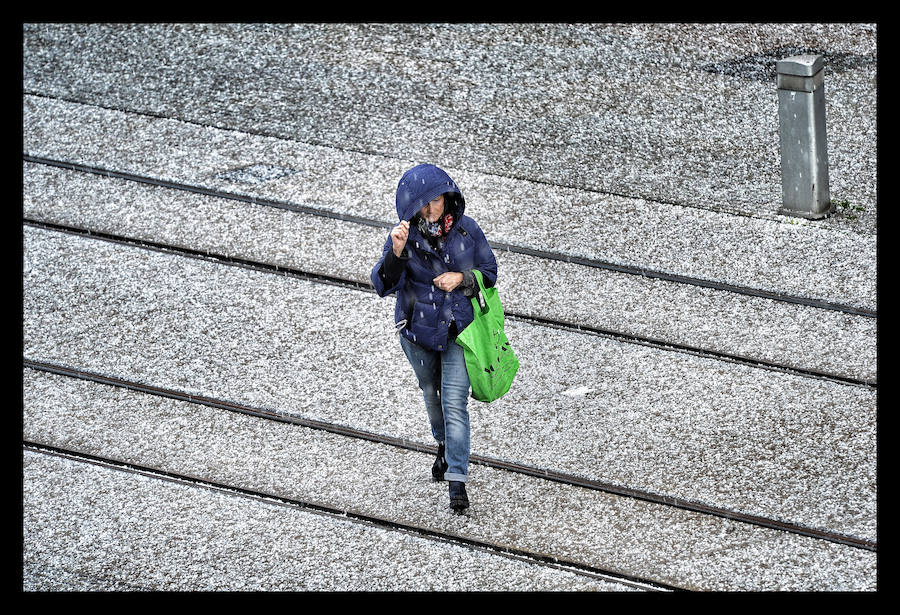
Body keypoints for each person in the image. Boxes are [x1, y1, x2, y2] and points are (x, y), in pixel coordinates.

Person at [371, 163, 498, 513]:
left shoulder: (468, 231)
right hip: (419, 333)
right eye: (423, 205)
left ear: (448, 198)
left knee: (454, 403)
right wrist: (395, 254)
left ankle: (457, 480)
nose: (431, 210)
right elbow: (382, 284)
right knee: (431, 395)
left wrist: (462, 278)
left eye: (436, 201)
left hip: (459, 332)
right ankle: (442, 444)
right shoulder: (404, 236)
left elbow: (490, 273)